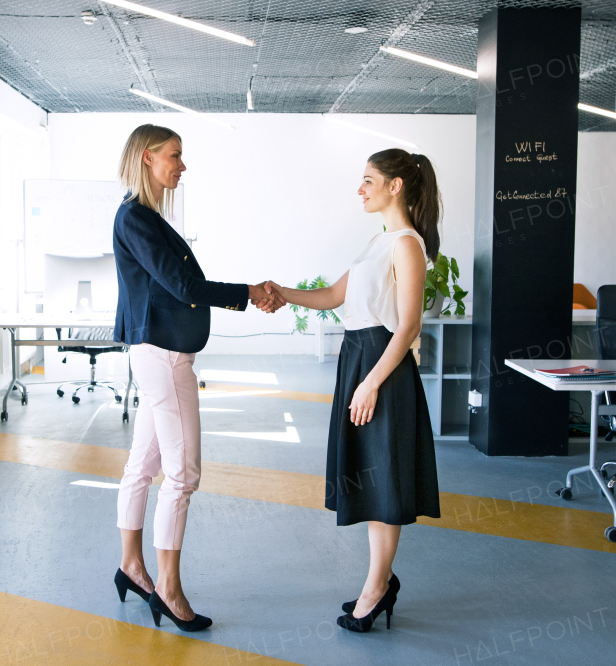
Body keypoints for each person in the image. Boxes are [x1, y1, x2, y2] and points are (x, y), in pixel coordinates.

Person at [111, 123, 283, 632]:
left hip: (156, 352)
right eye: (174, 155)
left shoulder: (141, 216)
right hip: (164, 356)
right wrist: (248, 291)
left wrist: (246, 292)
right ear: (147, 157)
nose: (182, 165)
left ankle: (131, 565)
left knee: (142, 466)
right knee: (182, 474)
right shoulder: (137, 218)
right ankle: (167, 586)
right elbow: (183, 284)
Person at [266, 149, 442, 633]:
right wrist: (280, 293)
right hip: (361, 361)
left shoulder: (407, 244)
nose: (360, 189)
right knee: (371, 480)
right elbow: (331, 297)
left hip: (380, 369)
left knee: (384, 482)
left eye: (368, 180)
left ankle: (377, 587)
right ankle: (378, 582)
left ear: (396, 186)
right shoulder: (378, 242)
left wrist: (369, 383)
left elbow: (407, 327)